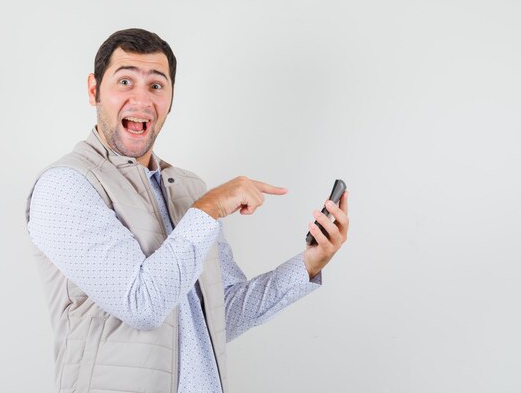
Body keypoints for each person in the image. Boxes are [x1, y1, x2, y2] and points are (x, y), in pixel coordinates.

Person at [26, 28, 349, 393]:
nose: (141, 99)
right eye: (125, 81)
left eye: (156, 86)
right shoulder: (66, 186)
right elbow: (142, 305)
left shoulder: (188, 190)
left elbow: (220, 314)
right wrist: (208, 209)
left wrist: (309, 263)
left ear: (171, 98)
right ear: (93, 90)